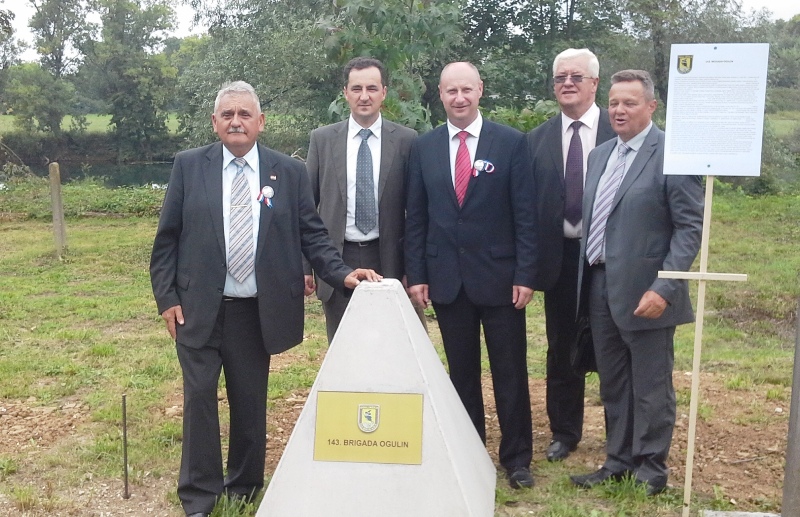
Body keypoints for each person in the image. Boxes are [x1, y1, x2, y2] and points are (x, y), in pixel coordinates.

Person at [149, 81, 380, 517]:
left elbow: (313, 235)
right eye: (227, 114)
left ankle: (244, 488)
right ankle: (199, 496)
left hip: (255, 311)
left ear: (261, 121)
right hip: (197, 309)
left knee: (250, 402)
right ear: (214, 122)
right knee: (199, 399)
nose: (236, 122)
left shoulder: (287, 172)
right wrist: (166, 298)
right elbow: (167, 240)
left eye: (245, 114)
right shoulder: (189, 166)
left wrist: (343, 273)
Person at [405, 62, 538, 489]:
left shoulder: (511, 143)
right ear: (440, 95)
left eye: (466, 90)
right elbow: (416, 217)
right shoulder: (424, 148)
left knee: (509, 372)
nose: (459, 98)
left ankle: (517, 458)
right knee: (461, 373)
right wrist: (417, 274)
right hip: (448, 279)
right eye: (451, 91)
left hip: (501, 279)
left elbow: (526, 215)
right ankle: (469, 452)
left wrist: (526, 273)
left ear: (480, 90)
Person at [570, 70, 703, 495]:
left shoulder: (673, 154)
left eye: (629, 102)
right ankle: (618, 461)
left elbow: (689, 228)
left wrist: (665, 287)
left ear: (651, 106)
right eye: (613, 103)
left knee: (650, 386)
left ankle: (650, 469)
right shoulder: (600, 155)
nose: (619, 110)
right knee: (613, 382)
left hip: (648, 291)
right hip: (599, 285)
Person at [527, 48, 616, 462]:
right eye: (560, 77)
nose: (567, 83)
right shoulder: (536, 140)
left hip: (610, 257)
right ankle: (564, 431)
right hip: (559, 257)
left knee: (613, 343)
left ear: (594, 83)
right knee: (561, 345)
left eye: (576, 77)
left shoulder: (619, 131)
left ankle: (620, 433)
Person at [305, 57, 419, 342]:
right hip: (337, 259)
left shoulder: (406, 141)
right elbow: (305, 208)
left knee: (395, 346)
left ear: (384, 93)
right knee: (344, 347)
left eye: (372, 88)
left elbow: (417, 211)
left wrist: (415, 269)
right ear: (345, 93)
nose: (364, 96)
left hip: (389, 258)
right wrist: (305, 266)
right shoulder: (322, 140)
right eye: (356, 89)